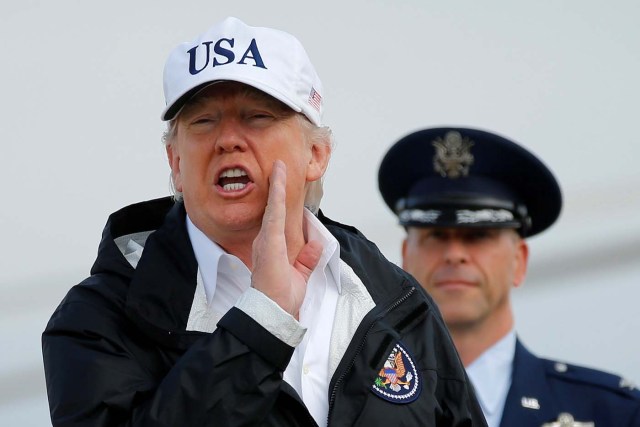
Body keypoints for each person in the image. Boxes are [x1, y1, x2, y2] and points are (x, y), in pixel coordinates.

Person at [42, 18, 487, 426]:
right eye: (203, 121)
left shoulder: (396, 299)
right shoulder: (96, 319)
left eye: (257, 117)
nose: (228, 140)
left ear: (316, 155)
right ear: (175, 161)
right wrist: (264, 322)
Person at [378, 126, 640, 427]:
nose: (454, 253)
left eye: (478, 236)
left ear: (520, 261)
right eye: (436, 235)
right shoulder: (352, 403)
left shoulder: (612, 413)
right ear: (405, 257)